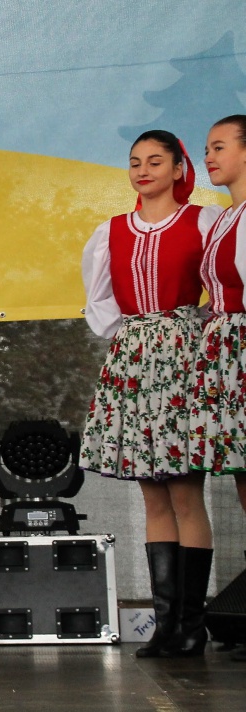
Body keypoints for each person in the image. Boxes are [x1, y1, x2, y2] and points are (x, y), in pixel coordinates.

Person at [81, 130, 220, 658]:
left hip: (183, 357)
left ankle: (192, 625)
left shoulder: (203, 221)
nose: (143, 170)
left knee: (185, 493)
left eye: (155, 161)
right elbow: (100, 303)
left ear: (179, 168)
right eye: (135, 161)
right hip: (135, 359)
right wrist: (136, 338)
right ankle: (167, 625)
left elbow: (225, 285)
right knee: (153, 496)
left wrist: (187, 328)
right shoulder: (112, 230)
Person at [193, 116, 246, 660]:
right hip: (228, 352)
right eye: (207, 148)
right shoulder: (226, 217)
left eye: (220, 147)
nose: (209, 156)